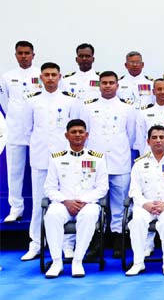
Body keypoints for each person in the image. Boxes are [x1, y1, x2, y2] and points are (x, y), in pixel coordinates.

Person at [19, 62, 79, 261]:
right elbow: (27, 131)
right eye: (47, 75)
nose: (51, 78)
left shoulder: (70, 101)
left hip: (65, 161)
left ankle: (67, 245)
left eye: (54, 74)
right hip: (41, 159)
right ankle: (36, 244)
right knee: (39, 203)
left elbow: (75, 130)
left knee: (67, 202)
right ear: (41, 78)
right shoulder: (32, 101)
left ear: (60, 76)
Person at [77, 71, 139, 258]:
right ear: (99, 85)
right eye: (104, 83)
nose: (108, 86)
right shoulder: (88, 107)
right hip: (95, 163)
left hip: (120, 161)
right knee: (95, 202)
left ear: (117, 85)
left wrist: (118, 150)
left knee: (120, 203)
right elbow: (85, 135)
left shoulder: (127, 108)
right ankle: (97, 241)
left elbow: (131, 135)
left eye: (111, 82)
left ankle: (119, 240)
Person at [42, 119, 108, 278]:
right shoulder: (56, 158)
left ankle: (77, 261)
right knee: (51, 215)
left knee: (89, 215)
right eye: (74, 132)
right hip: (64, 203)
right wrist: (66, 201)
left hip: (87, 204)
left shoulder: (97, 158)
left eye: (81, 132)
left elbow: (103, 187)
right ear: (66, 135)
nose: (77, 135)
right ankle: (57, 261)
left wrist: (83, 200)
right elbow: (49, 188)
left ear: (87, 135)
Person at [125, 125, 164, 277]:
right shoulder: (139, 163)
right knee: (137, 221)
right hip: (146, 205)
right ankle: (138, 263)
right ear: (148, 141)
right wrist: (144, 204)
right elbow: (134, 190)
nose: (158, 140)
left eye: (161, 137)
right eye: (154, 137)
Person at [1, 40, 40, 222]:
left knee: (38, 171)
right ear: (15, 55)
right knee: (14, 171)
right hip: (15, 129)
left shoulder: (42, 74)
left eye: (27, 53)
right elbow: (4, 103)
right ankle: (15, 208)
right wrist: (16, 117)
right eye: (20, 53)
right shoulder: (7, 77)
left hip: (37, 130)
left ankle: (41, 208)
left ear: (33, 54)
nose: (24, 56)